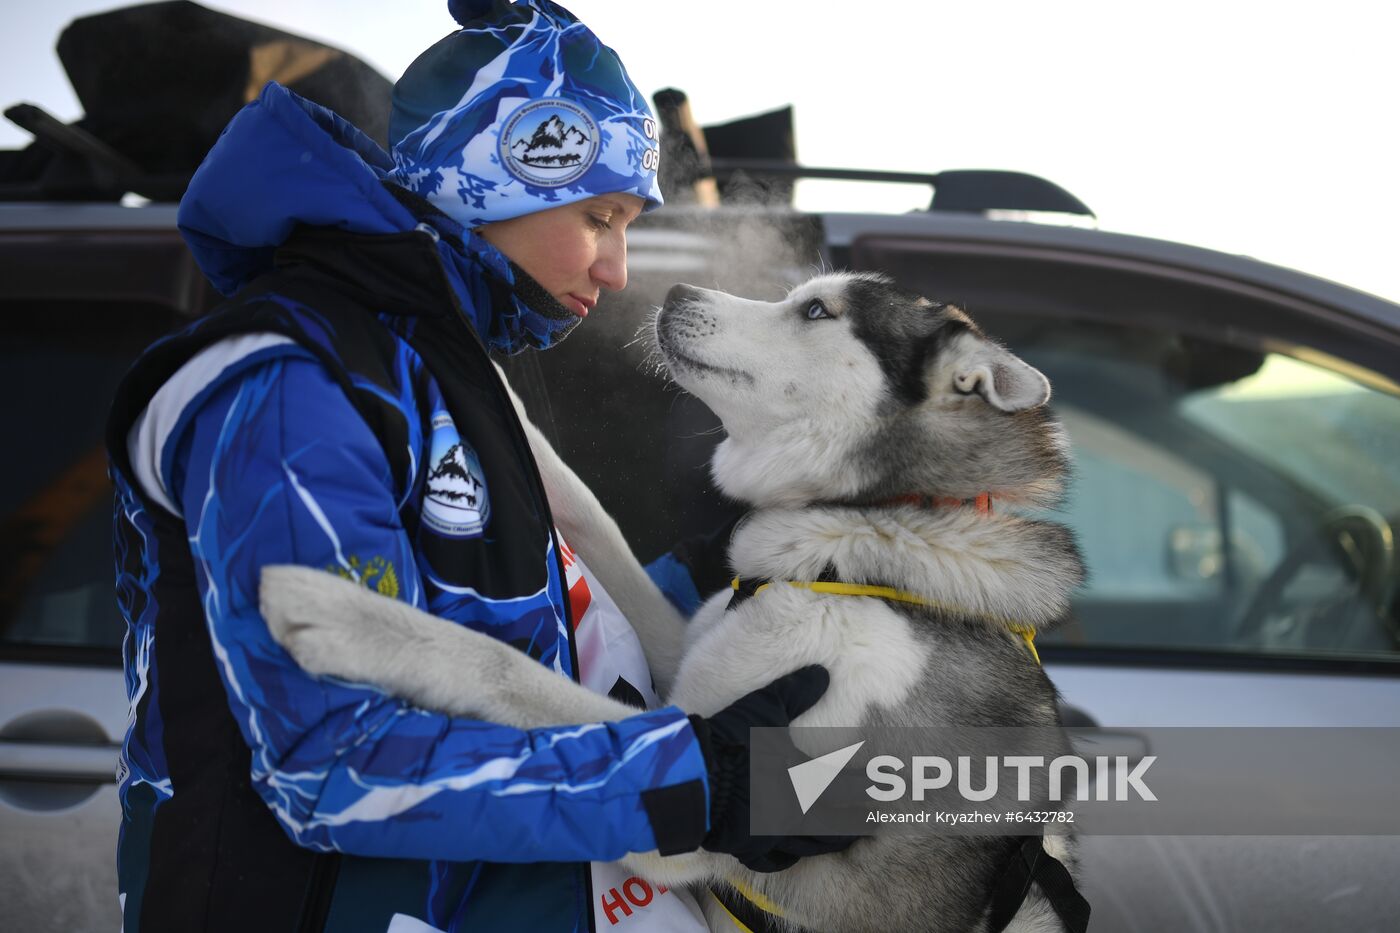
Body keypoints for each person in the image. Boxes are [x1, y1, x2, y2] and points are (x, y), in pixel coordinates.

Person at [105, 2, 845, 931]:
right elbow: (332, 762)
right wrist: (694, 785)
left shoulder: (438, 369)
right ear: (497, 180)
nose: (616, 269)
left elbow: (522, 640)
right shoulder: (288, 379)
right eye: (599, 218)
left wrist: (730, 570)